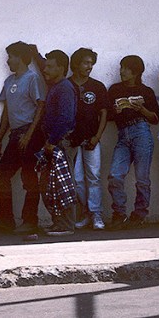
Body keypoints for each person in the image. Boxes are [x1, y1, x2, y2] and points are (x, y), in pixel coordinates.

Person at [0, 41, 45, 234]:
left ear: (20, 58)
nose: (7, 61)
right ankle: (6, 221)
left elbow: (40, 107)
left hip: (29, 134)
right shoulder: (9, 81)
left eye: (10, 57)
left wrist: (29, 134)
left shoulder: (32, 78)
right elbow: (7, 111)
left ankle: (31, 221)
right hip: (15, 135)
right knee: (1, 177)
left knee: (29, 178)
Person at [106, 55, 159, 229]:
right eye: (121, 67)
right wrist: (116, 110)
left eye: (127, 68)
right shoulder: (114, 89)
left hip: (141, 131)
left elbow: (155, 118)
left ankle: (139, 213)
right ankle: (119, 213)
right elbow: (108, 116)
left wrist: (142, 109)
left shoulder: (146, 91)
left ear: (136, 72)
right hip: (123, 134)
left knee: (142, 178)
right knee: (115, 175)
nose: (122, 71)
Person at [68, 48, 108, 231]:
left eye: (91, 63)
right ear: (76, 64)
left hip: (92, 140)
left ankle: (96, 213)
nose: (89, 66)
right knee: (76, 179)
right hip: (71, 142)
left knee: (94, 177)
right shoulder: (66, 85)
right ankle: (85, 212)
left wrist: (97, 136)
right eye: (86, 62)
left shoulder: (97, 86)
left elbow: (104, 113)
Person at [38, 50, 77, 236]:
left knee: (63, 184)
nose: (45, 69)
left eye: (50, 66)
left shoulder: (64, 87)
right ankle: (58, 223)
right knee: (51, 184)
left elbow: (65, 118)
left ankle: (66, 224)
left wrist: (52, 141)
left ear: (61, 68)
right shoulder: (57, 86)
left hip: (61, 142)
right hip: (54, 142)